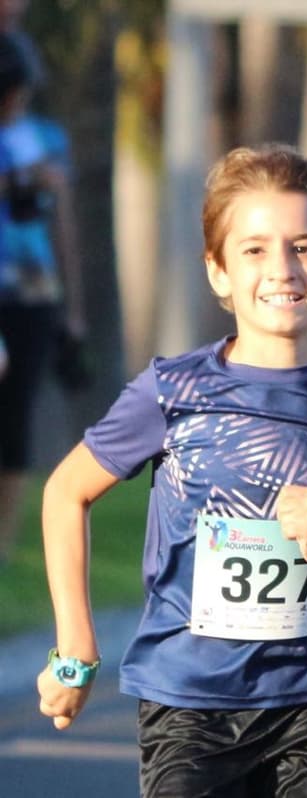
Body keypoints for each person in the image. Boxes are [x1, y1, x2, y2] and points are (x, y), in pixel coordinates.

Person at [35, 144, 307, 798]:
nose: (282, 269)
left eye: (304, 247)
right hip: (187, 706)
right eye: (255, 249)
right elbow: (67, 491)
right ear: (218, 271)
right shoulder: (172, 391)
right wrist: (75, 649)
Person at [0, 32, 83, 565]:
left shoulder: (46, 138)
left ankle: (1, 551)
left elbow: (64, 225)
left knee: (16, 418)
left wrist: (73, 310)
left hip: (32, 291)